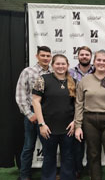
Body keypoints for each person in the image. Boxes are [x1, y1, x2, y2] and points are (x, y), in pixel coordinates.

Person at [74, 50, 105, 180]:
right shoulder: (85, 80)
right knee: (93, 155)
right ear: (94, 62)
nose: (101, 63)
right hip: (89, 121)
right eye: (98, 60)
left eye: (104, 60)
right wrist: (78, 126)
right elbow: (79, 103)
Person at [32, 54, 76, 180]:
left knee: (68, 156)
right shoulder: (42, 79)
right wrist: (41, 124)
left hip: (68, 127)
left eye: (63, 64)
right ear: (52, 65)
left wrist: (75, 122)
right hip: (48, 128)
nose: (60, 66)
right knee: (49, 156)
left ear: (67, 66)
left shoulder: (73, 81)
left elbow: (78, 104)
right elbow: (35, 102)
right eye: (58, 63)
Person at [16, 46, 52, 180]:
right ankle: (24, 176)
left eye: (48, 56)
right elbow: (20, 94)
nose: (46, 58)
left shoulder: (54, 72)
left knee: (48, 147)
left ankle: (47, 175)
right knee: (28, 146)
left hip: (48, 114)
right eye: (43, 55)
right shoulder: (28, 72)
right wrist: (29, 113)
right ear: (37, 56)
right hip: (32, 113)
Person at [69, 45, 95, 178]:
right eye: (82, 54)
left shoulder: (98, 71)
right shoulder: (70, 72)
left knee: (92, 145)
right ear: (78, 56)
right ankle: (77, 170)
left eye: (87, 54)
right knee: (77, 145)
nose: (84, 56)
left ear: (91, 57)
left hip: (93, 113)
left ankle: (92, 169)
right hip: (75, 114)